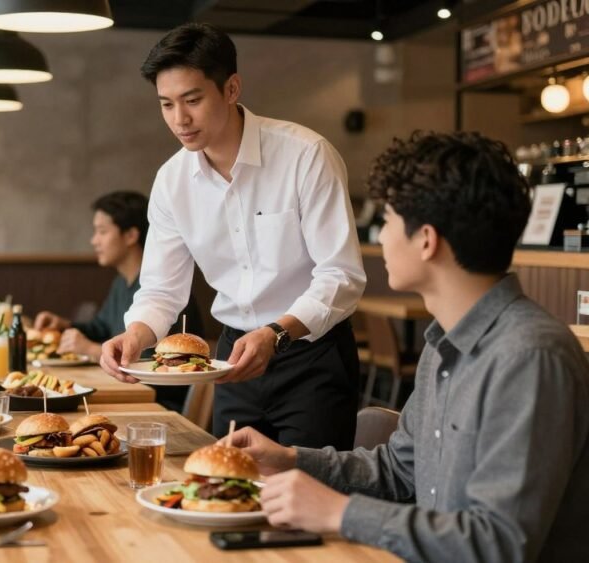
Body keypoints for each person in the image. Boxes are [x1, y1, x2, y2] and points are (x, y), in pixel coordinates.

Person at [230, 132, 589, 562]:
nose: (381, 237)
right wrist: (290, 460)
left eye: (389, 219)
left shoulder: (530, 356)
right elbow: (400, 471)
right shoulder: (442, 344)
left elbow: (500, 542)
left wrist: (339, 512)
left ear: (426, 239)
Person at [99, 23, 366, 446]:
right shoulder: (171, 182)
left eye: (192, 100)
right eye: (166, 104)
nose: (179, 119)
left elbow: (342, 276)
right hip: (231, 359)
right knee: (228, 489)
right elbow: (161, 290)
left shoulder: (306, 155)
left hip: (311, 354)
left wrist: (276, 334)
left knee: (306, 498)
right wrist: (135, 334)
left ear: (231, 89)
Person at [33, 190, 203, 411]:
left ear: (131, 235)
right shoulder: (121, 283)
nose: (94, 241)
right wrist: (64, 324)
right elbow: (101, 326)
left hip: (159, 405)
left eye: (102, 231)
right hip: (132, 394)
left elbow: (153, 368)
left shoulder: (165, 295)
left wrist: (91, 350)